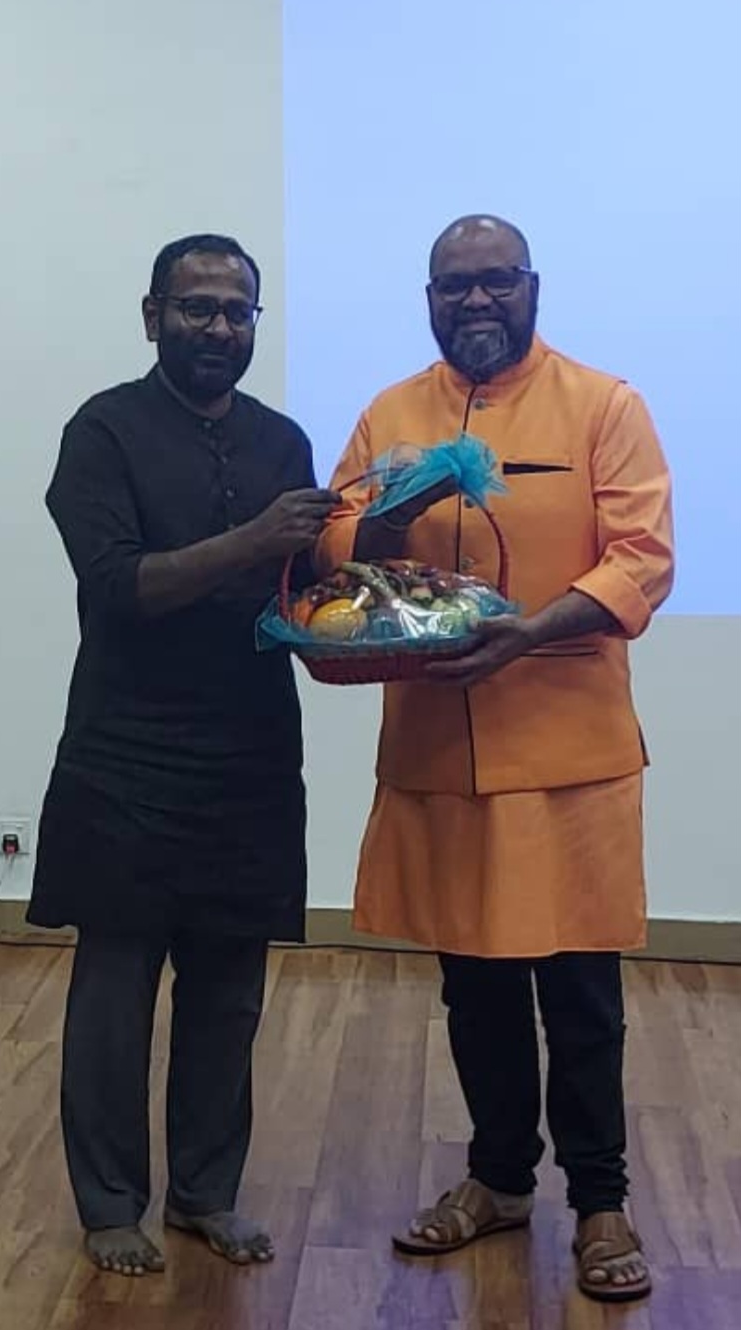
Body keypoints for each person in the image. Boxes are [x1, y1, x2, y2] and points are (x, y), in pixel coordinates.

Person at [316, 215, 673, 1304]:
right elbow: (335, 546)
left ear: (531, 287)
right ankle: (500, 1179)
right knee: (473, 988)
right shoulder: (390, 414)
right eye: (453, 286)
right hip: (441, 748)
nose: (476, 301)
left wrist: (527, 632)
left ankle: (602, 1199)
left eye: (496, 281)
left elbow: (643, 560)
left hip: (569, 755)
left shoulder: (604, 405)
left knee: (581, 995)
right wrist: (392, 515)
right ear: (429, 299)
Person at [28, 233, 339, 1276]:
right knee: (114, 995)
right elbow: (120, 587)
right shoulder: (102, 431)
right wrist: (256, 539)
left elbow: (303, 586)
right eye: (196, 306)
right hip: (126, 755)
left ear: (255, 323)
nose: (217, 326)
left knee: (230, 993)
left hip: (252, 754)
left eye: (236, 310)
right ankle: (111, 1203)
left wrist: (386, 537)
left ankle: (206, 1193)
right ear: (152, 315)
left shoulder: (283, 441)